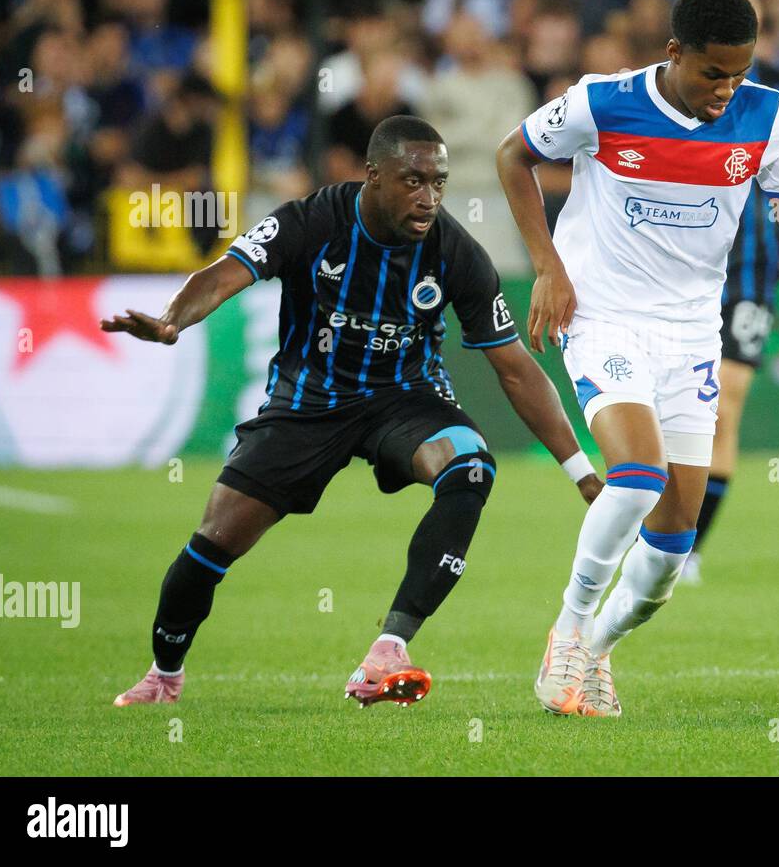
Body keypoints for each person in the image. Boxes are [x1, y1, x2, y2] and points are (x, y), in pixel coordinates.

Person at [105, 115, 602, 709]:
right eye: (413, 181)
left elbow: (515, 368)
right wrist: (171, 321)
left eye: (438, 183)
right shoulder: (311, 220)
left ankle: (389, 647)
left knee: (470, 466)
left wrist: (583, 473)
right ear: (372, 176)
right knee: (214, 542)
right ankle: (164, 673)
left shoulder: (456, 252)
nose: (429, 197)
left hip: (405, 399)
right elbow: (223, 276)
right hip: (308, 402)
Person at [495, 0, 779, 718]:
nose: (725, 88)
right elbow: (512, 157)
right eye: (713, 72)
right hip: (604, 315)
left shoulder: (766, 115)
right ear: (674, 52)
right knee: (638, 477)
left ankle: (602, 650)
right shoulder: (602, 102)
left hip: (690, 332)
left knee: (670, 551)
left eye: (738, 73)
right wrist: (548, 266)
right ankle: (569, 630)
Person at [682, 0, 779, 586]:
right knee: (674, 409)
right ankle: (652, 522)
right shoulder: (673, 84)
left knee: (726, 402)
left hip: (752, 261)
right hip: (679, 263)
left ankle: (685, 548)